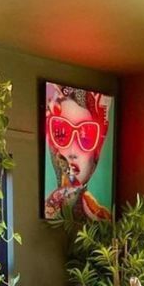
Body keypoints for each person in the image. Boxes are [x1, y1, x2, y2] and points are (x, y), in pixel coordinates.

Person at [44, 84, 112, 221]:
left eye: (85, 137)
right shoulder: (50, 206)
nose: (72, 152)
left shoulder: (100, 214)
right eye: (61, 134)